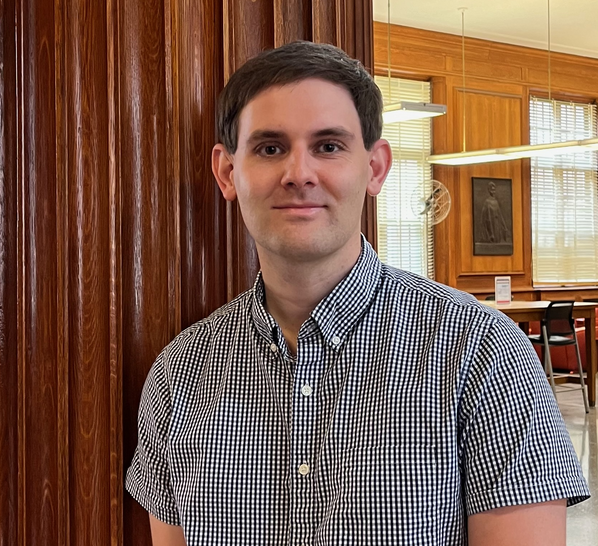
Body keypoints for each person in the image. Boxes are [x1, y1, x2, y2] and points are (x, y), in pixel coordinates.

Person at [126, 41, 589, 546]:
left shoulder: (482, 352)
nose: (299, 174)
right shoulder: (177, 376)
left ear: (375, 168)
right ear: (227, 172)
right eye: (270, 148)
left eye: (328, 146)